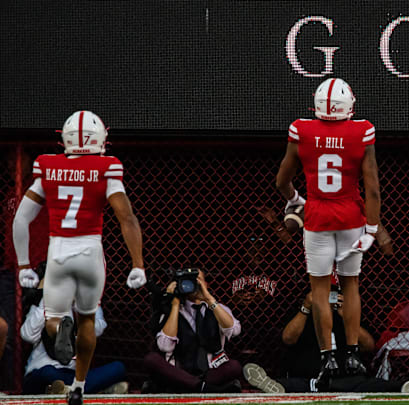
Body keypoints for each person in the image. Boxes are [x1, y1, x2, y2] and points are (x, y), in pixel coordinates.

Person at [12, 111, 146, 405]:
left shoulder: (47, 166)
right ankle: (79, 386)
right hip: (90, 251)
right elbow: (127, 218)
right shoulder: (107, 167)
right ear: (100, 139)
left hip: (58, 250)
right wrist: (137, 264)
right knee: (87, 319)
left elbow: (21, 219)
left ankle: (61, 329)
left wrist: (23, 264)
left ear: (65, 138)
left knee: (52, 319)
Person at [275, 78, 381, 389]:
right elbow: (372, 187)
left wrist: (295, 200)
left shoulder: (302, 130)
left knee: (320, 292)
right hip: (350, 215)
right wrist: (372, 228)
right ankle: (350, 354)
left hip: (318, 216)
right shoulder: (361, 131)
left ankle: (328, 357)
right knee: (350, 287)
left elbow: (282, 180)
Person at [242, 287, 409, 393]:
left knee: (367, 384)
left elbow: (369, 345)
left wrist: (347, 317)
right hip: (313, 375)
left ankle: (407, 386)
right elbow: (288, 339)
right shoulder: (304, 310)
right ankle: (272, 385)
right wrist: (306, 307)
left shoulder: (350, 309)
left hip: (348, 377)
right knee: (301, 384)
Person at [142, 268, 244, 393]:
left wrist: (209, 299)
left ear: (205, 284)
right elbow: (165, 346)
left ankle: (193, 386)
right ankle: (203, 388)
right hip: (179, 373)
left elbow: (235, 331)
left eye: (197, 280)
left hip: (210, 373)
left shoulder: (218, 308)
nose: (193, 284)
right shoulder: (171, 311)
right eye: (187, 281)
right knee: (151, 359)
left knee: (234, 367)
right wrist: (174, 304)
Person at [21, 279, 127, 395]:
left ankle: (62, 390)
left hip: (73, 374)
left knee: (118, 368)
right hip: (45, 369)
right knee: (48, 373)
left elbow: (98, 328)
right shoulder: (44, 300)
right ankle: (93, 390)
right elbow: (28, 335)